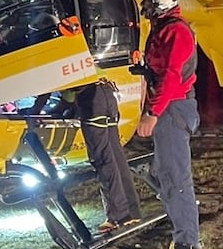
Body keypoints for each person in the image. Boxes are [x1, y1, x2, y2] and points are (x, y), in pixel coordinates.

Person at [135, 0, 206, 249]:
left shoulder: (175, 32)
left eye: (147, 0)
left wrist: (152, 113)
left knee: (175, 180)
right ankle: (192, 243)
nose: (144, 5)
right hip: (175, 107)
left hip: (173, 109)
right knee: (171, 176)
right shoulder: (165, 28)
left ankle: (185, 248)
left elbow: (171, 77)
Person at [30, 80, 142, 235]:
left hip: (92, 101)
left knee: (103, 159)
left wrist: (36, 110)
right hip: (107, 94)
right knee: (116, 156)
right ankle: (131, 211)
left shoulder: (53, 63)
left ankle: (117, 215)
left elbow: (61, 96)